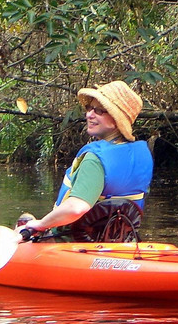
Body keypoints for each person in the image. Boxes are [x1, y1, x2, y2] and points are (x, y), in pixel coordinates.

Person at [22, 80, 153, 239]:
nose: (89, 114)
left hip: (73, 244)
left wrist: (41, 224)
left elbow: (77, 208)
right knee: (25, 220)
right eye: (89, 108)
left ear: (117, 120)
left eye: (99, 111)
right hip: (121, 244)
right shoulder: (142, 154)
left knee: (26, 223)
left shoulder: (95, 159)